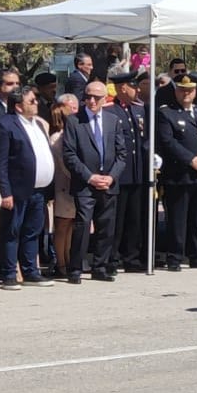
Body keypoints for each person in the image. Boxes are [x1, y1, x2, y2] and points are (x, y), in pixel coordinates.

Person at [0, 87, 57, 290]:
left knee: (32, 231)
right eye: (31, 101)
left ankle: (30, 271)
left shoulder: (36, 124)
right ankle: (9, 273)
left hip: (38, 189)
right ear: (18, 106)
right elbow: (0, 162)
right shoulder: (4, 125)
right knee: (12, 231)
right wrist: (5, 192)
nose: (36, 103)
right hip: (17, 189)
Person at [62, 81, 128, 283]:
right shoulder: (74, 121)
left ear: (104, 99)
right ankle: (75, 269)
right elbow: (69, 154)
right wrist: (89, 177)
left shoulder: (113, 120)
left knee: (106, 226)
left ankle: (100, 266)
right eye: (88, 96)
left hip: (108, 183)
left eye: (96, 97)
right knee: (83, 225)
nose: (91, 101)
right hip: (85, 184)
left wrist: (111, 177)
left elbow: (122, 154)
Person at [157, 74, 197, 271]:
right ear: (176, 91)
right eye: (182, 90)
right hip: (179, 174)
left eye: (190, 90)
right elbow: (168, 142)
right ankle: (175, 256)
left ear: (195, 91)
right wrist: (191, 160)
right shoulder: (167, 113)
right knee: (178, 219)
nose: (186, 94)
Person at [110, 72, 150, 273]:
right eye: (134, 87)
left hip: (137, 172)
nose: (138, 91)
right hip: (121, 174)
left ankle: (132, 256)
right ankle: (114, 257)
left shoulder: (139, 109)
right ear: (123, 88)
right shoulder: (111, 111)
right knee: (118, 219)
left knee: (135, 217)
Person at [48, 96, 78, 278]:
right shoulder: (57, 138)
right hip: (63, 186)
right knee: (62, 226)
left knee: (70, 226)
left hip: (70, 186)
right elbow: (64, 164)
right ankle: (61, 262)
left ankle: (67, 258)